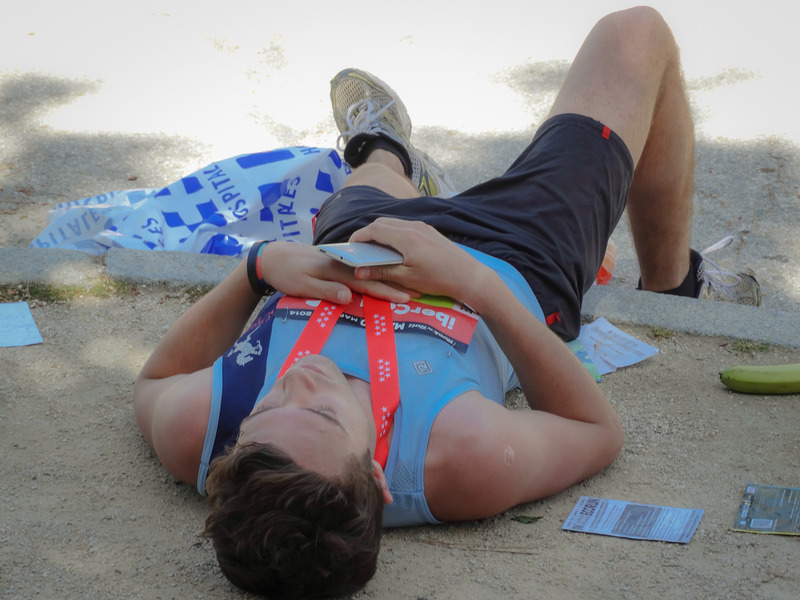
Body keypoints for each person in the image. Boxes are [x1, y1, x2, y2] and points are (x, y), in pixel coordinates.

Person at [133, 7, 761, 599]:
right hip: (515, 255)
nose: (298, 380)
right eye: (325, 415)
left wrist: (258, 266)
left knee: (369, 182)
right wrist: (473, 282)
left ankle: (386, 149)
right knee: (636, 32)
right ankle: (675, 284)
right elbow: (596, 432)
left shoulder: (204, 435)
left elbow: (156, 379)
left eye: (267, 406)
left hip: (364, 239)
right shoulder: (460, 459)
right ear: (376, 480)